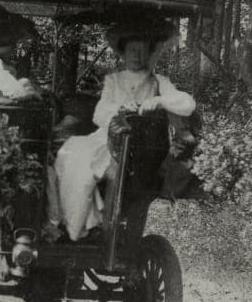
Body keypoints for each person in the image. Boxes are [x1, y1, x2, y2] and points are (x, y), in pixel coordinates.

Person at [49, 18, 196, 242]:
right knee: (70, 156)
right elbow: (99, 115)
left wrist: (160, 101)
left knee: (93, 163)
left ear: (148, 53)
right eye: (132, 50)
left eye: (142, 51)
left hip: (145, 147)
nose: (137, 55)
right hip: (108, 138)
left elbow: (187, 104)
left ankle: (86, 226)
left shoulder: (159, 81)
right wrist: (119, 108)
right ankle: (78, 225)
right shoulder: (113, 81)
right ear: (123, 53)